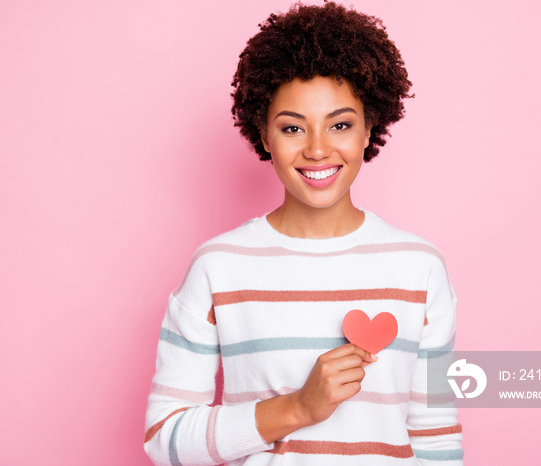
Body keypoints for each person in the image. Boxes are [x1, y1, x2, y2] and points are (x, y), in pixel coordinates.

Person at [144, 2, 463, 465]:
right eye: (293, 127)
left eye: (340, 124)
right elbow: (165, 438)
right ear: (263, 132)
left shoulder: (420, 268)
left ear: (370, 127)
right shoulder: (219, 267)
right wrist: (298, 408)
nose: (317, 149)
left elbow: (436, 435)